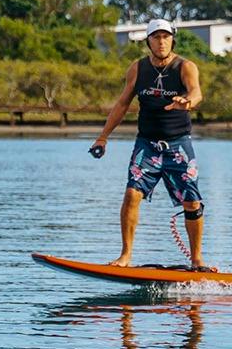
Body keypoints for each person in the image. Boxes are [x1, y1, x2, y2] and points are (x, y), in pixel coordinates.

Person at [88, 19, 209, 269]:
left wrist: (187, 102)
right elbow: (122, 104)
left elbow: (196, 92)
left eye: (166, 37)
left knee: (191, 201)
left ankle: (197, 260)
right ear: (148, 42)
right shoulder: (138, 68)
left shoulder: (185, 66)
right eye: (156, 37)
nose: (161, 41)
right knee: (132, 194)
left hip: (178, 145)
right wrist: (103, 136)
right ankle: (125, 256)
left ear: (172, 39)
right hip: (147, 145)